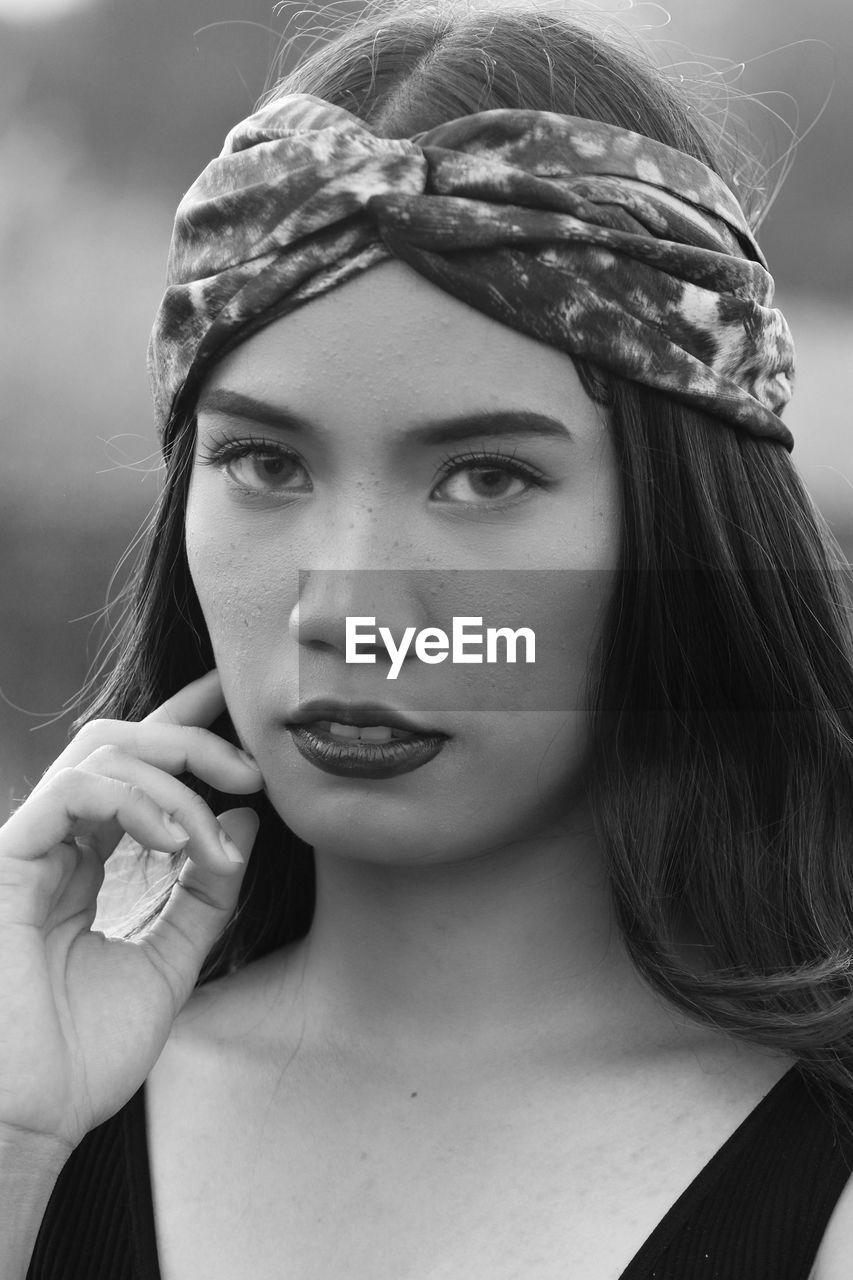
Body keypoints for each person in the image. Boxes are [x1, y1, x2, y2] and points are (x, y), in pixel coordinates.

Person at [4, 0, 853, 1275]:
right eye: (262, 460)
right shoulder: (47, 1104)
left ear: (681, 526)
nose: (345, 610)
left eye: (486, 478)